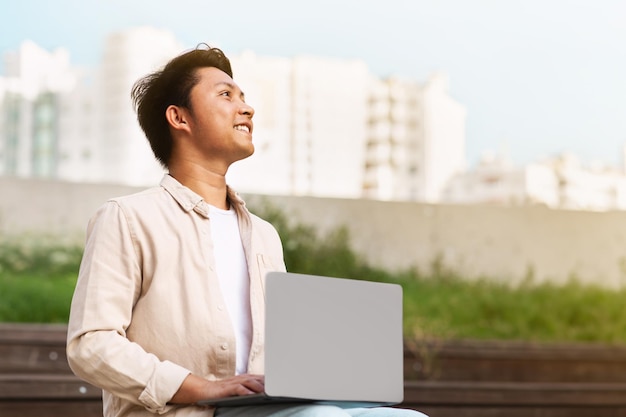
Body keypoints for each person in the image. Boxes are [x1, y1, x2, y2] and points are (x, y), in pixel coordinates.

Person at [66, 45, 428, 417]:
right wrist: (198, 387)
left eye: (244, 97)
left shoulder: (264, 235)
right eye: (225, 95)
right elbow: (91, 344)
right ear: (179, 118)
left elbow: (282, 353)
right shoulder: (128, 218)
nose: (247, 108)